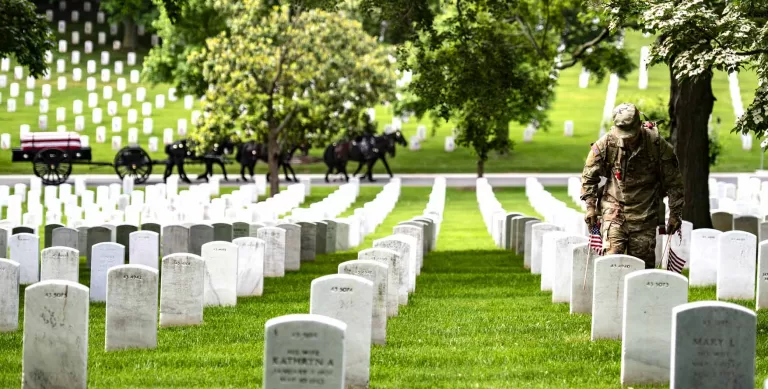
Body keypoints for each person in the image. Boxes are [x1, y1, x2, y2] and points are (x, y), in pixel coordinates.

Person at [580, 103, 685, 269]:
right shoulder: (607, 143)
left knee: (642, 266)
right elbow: (588, 176)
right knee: (612, 260)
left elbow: (674, 183)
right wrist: (590, 207)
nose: (627, 138)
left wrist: (675, 214)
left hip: (645, 213)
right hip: (613, 209)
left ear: (639, 125)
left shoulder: (656, 145)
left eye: (631, 134)